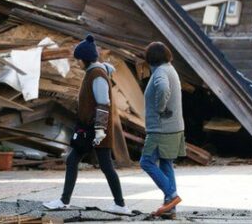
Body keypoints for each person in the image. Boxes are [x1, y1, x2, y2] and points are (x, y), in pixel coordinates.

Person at [43, 35, 133, 215]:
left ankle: (120, 205)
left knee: (105, 166)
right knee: (75, 160)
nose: (77, 64)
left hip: (96, 130)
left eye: (78, 60)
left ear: (84, 59)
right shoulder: (94, 72)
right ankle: (66, 200)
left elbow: (103, 103)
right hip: (90, 129)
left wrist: (100, 129)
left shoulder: (97, 75)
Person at [140, 42, 185, 217]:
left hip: (161, 128)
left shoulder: (160, 72)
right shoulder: (170, 69)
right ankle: (170, 207)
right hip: (174, 127)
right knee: (166, 163)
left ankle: (172, 196)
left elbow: (163, 87)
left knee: (146, 162)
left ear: (150, 58)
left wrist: (160, 108)